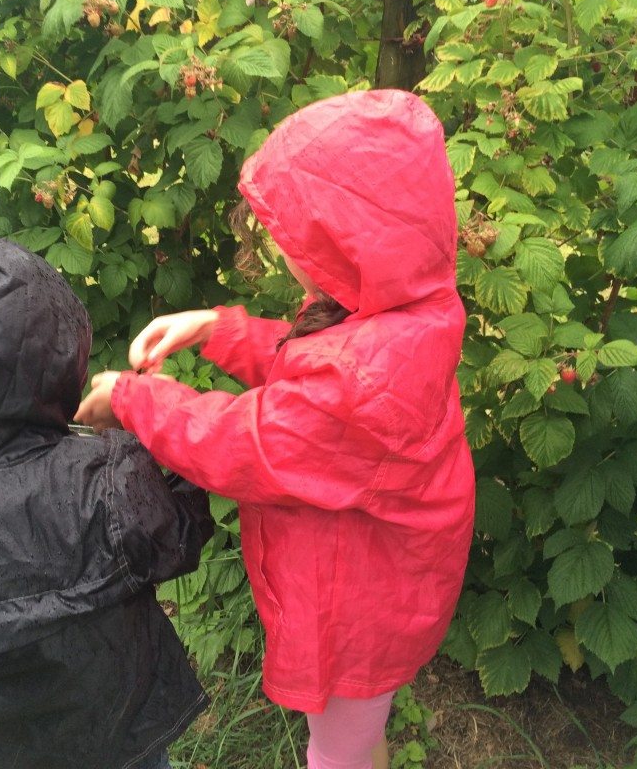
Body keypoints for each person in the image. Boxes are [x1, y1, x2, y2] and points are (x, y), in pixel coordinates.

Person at [76, 89, 475, 769]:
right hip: (381, 572)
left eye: (296, 239)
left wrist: (134, 400)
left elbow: (248, 441)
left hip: (364, 607)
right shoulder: (402, 308)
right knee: (355, 734)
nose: (287, 252)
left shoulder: (363, 378)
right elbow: (312, 370)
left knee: (338, 752)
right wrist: (215, 328)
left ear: (350, 240)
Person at [0, 238, 213, 769]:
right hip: (117, 735)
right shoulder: (105, 478)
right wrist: (153, 414)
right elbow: (185, 526)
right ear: (56, 361)